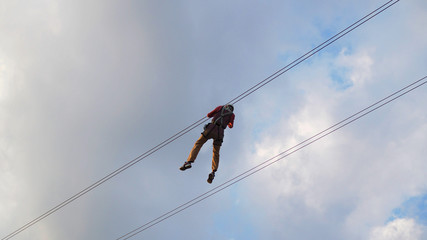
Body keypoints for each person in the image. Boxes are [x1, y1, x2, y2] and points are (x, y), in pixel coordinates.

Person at [180, 104, 235, 183]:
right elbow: (231, 126)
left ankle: (189, 162)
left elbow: (209, 115)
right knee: (216, 153)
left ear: (226, 106)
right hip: (220, 133)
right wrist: (227, 122)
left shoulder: (220, 108)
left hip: (211, 129)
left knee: (198, 144)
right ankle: (213, 171)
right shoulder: (232, 115)